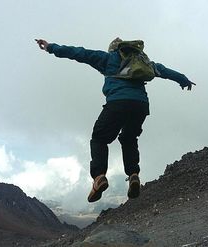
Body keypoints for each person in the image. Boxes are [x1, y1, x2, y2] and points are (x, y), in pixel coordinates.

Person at [35, 38, 195, 203]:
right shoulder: (143, 61)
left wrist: (50, 47)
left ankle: (99, 178)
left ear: (113, 50)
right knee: (129, 138)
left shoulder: (107, 58)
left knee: (99, 138)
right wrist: (183, 80)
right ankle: (133, 175)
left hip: (117, 103)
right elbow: (165, 71)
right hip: (140, 105)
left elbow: (79, 53)